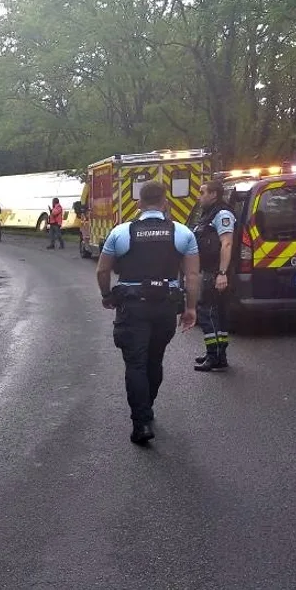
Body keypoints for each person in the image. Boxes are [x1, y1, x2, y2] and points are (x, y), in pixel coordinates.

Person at [96, 180, 200, 445]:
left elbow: (102, 270)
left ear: (139, 204)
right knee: (155, 361)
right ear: (165, 204)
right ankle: (148, 406)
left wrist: (107, 295)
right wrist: (190, 308)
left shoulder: (120, 233)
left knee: (136, 364)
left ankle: (141, 422)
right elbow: (192, 275)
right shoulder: (183, 233)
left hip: (133, 307)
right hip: (165, 307)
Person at [191, 179, 235, 371]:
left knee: (206, 312)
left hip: (215, 271)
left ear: (214, 195)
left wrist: (222, 273)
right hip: (209, 270)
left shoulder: (222, 214)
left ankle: (214, 355)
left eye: (202, 193)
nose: (199, 197)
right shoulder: (209, 215)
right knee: (216, 313)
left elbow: (226, 243)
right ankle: (219, 354)